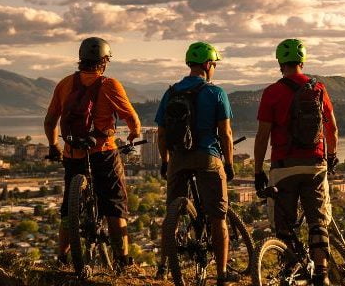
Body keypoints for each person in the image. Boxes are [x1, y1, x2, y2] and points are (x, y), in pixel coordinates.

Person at [43, 37, 140, 269]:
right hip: (103, 153)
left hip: (73, 153)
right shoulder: (110, 85)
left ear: (81, 59)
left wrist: (53, 145)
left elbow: (49, 121)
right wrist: (133, 135)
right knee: (115, 204)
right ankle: (122, 261)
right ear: (104, 62)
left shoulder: (65, 84)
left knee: (69, 208)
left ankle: (62, 257)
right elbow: (132, 119)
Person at [253, 38, 339, 286]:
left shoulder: (272, 92)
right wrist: (331, 157)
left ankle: (289, 270)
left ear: (280, 62)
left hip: (283, 166)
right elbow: (332, 130)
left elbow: (262, 136)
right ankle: (321, 275)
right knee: (318, 221)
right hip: (315, 163)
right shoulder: (319, 89)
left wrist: (259, 170)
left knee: (284, 225)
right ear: (302, 61)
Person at [156, 41, 238, 285]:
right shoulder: (216, 93)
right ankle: (222, 273)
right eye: (214, 64)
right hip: (207, 157)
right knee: (217, 216)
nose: (214, 68)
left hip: (178, 159)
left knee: (172, 212)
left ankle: (162, 267)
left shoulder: (171, 93)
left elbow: (161, 133)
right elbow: (225, 134)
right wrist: (230, 163)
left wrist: (165, 161)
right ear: (207, 64)